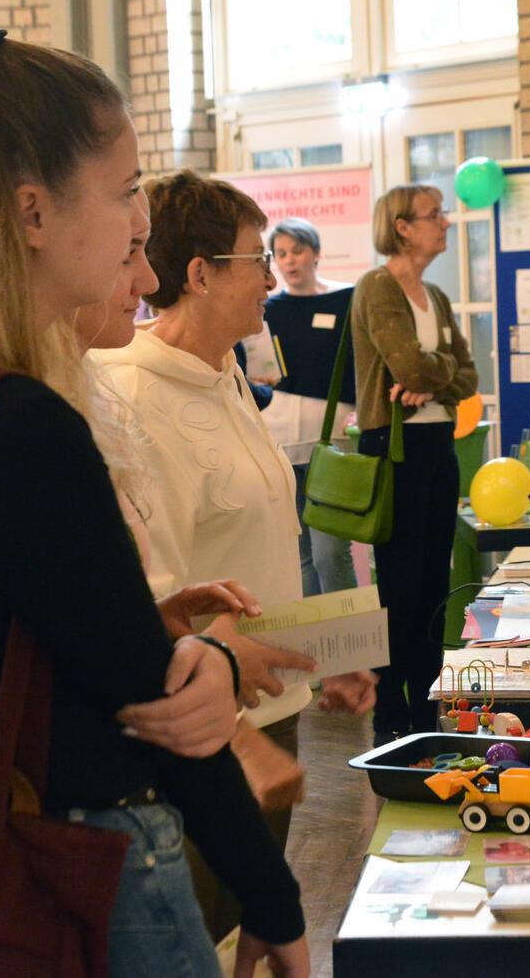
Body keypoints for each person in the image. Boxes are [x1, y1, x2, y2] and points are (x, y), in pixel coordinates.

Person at [0, 7, 307, 976]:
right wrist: (276, 898)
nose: (142, 223)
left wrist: (159, 632)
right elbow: (155, 704)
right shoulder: (13, 420)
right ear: (32, 211)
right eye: (125, 190)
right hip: (64, 870)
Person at [93, 169, 375, 939]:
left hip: (271, 708)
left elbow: (258, 552)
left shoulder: (227, 375)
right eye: (257, 259)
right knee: (210, 935)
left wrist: (324, 648)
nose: (269, 278)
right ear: (200, 274)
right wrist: (241, 738)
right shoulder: (127, 394)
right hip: (211, 734)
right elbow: (155, 595)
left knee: (249, 937)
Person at [352, 184, 477, 744]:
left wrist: (433, 376)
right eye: (434, 215)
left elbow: (467, 375)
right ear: (402, 226)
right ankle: (390, 715)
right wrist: (433, 375)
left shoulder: (437, 296)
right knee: (398, 589)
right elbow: (406, 364)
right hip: (395, 452)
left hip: (438, 450)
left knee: (434, 584)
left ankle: (428, 708)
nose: (445, 223)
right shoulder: (377, 287)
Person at [252, 216, 358, 597]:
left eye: (297, 250)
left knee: (331, 552)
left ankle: (354, 646)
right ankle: (318, 648)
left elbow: (359, 365)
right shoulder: (267, 308)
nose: (289, 260)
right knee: (299, 556)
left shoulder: (347, 298)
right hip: (278, 441)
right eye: (280, 253)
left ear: (315, 253)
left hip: (332, 441)